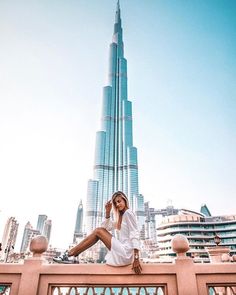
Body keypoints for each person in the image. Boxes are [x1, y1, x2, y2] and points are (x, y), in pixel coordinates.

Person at [53, 191, 142, 274]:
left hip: (126, 252)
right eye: (115, 203)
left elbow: (134, 234)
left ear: (125, 200)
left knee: (98, 231)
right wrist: (107, 212)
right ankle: (72, 254)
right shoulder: (121, 217)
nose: (117, 204)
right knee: (98, 231)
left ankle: (70, 254)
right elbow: (106, 227)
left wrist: (136, 258)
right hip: (123, 250)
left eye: (119, 201)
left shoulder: (128, 213)